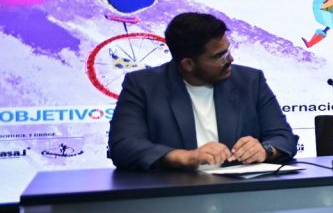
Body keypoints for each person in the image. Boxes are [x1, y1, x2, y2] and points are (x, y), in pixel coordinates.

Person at [108, 12, 297, 171]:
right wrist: (183, 157)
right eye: (219, 56)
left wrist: (265, 150)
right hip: (174, 194)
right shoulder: (143, 85)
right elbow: (123, 146)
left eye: (228, 50)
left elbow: (283, 137)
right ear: (188, 64)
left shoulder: (250, 81)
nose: (230, 59)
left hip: (239, 193)